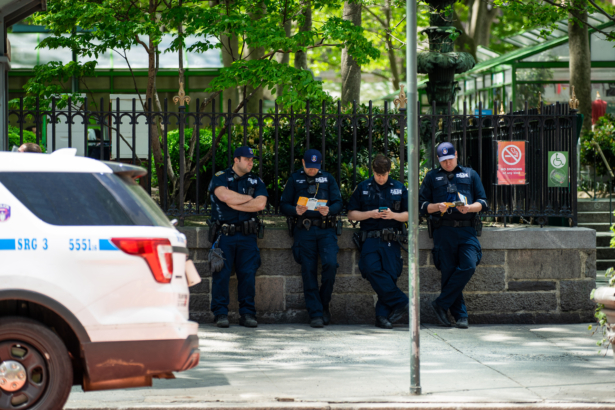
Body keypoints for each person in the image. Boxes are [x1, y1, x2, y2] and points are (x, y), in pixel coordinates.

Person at [418, 142, 488, 329]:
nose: (447, 163)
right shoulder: (432, 177)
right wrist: (436, 207)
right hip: (443, 230)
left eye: (450, 159)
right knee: (448, 273)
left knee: (468, 265)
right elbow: (421, 205)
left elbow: (483, 201)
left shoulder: (470, 174)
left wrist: (469, 208)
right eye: (443, 161)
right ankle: (461, 316)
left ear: (456, 155)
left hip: (466, 230)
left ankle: (441, 304)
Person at [280, 149, 343, 328]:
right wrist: (294, 210)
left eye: (315, 167)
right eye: (309, 167)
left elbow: (339, 202)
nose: (312, 170)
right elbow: (283, 205)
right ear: (303, 162)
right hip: (304, 230)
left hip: (326, 230)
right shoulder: (294, 179)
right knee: (308, 271)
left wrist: (330, 209)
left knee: (330, 265)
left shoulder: (328, 179)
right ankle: (315, 313)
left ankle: (323, 304)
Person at [208, 146, 268, 328]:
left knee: (248, 275)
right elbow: (224, 195)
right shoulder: (220, 177)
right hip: (224, 235)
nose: (251, 162)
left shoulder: (256, 180)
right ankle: (220, 314)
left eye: (252, 159)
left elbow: (260, 204)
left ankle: (247, 313)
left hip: (248, 236)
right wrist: (248, 198)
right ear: (236, 160)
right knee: (221, 275)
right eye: (247, 159)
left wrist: (235, 202)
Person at [347, 154, 409, 329]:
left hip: (392, 238)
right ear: (373, 171)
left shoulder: (399, 187)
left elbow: (410, 214)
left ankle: (381, 317)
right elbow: (351, 214)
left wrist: (393, 215)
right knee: (369, 268)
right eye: (377, 174)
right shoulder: (363, 187)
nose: (380, 178)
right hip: (371, 238)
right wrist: (370, 214)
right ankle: (402, 302)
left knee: (390, 276)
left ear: (389, 171)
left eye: (384, 174)